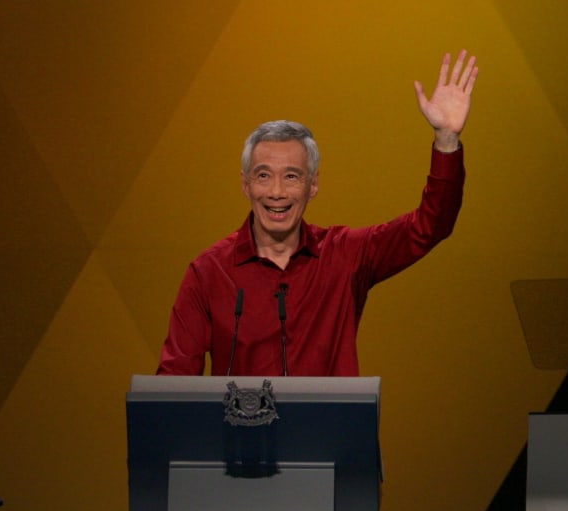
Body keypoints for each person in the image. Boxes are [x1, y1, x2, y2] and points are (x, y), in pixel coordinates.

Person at [157, 50, 478, 376]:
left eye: (291, 176)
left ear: (312, 185)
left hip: (331, 414)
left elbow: (430, 225)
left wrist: (446, 139)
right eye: (263, 175)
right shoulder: (208, 273)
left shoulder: (344, 255)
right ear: (245, 185)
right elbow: (173, 385)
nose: (277, 192)